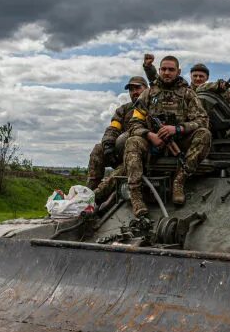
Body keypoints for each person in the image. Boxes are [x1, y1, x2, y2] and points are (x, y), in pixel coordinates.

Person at [125, 56, 212, 216]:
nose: (167, 72)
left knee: (204, 134)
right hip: (153, 144)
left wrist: (178, 129)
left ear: (178, 72)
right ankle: (136, 197)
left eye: (171, 69)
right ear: (159, 71)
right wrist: (149, 135)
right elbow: (133, 124)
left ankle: (178, 182)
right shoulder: (147, 94)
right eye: (163, 69)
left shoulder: (188, 94)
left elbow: (202, 120)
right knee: (133, 142)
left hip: (179, 143)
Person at [86, 76, 147, 189]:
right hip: (121, 151)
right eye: (131, 90)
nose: (134, 92)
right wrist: (109, 146)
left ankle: (98, 194)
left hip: (139, 154)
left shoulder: (153, 108)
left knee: (111, 180)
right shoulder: (123, 110)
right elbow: (113, 129)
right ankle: (90, 187)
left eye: (137, 88)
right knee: (98, 149)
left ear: (146, 88)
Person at [144, 53, 211, 89]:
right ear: (190, 76)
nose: (198, 78)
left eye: (201, 76)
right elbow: (157, 79)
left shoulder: (213, 91)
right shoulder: (183, 89)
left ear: (207, 78)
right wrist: (148, 67)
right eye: (195, 76)